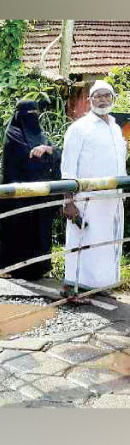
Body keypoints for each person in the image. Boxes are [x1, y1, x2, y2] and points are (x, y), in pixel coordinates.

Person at [60, 80, 127, 300]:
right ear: (89, 100)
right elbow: (68, 166)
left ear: (113, 99)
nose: (103, 99)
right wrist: (68, 201)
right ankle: (73, 288)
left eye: (107, 95)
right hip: (86, 199)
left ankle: (100, 286)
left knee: (106, 244)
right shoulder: (79, 128)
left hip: (111, 201)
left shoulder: (116, 128)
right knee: (82, 243)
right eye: (98, 96)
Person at [0, 100, 60, 280]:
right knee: (14, 228)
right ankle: (7, 267)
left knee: (39, 229)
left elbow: (56, 153)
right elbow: (29, 158)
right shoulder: (13, 134)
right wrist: (45, 153)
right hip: (16, 193)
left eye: (34, 112)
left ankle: (39, 268)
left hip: (39, 192)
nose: (31, 116)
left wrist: (47, 149)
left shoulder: (40, 135)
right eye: (28, 112)